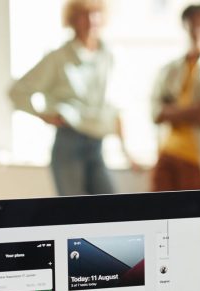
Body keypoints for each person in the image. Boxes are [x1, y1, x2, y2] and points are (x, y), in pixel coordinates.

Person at [9, 0, 134, 196]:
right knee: (74, 215)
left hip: (97, 145)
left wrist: (127, 152)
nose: (91, 20)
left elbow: (115, 107)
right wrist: (43, 115)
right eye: (84, 15)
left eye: (95, 13)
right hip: (69, 143)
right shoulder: (58, 57)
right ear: (73, 20)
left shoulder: (109, 57)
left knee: (112, 210)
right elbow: (17, 91)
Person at [149, 4, 200, 192]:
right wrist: (196, 109)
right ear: (184, 26)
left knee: (194, 218)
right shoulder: (169, 70)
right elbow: (157, 113)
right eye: (192, 24)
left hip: (197, 160)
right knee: (157, 215)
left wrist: (174, 111)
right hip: (167, 154)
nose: (196, 29)